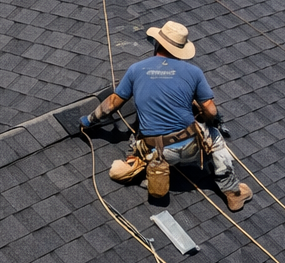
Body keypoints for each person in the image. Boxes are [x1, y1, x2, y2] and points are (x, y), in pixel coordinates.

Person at [81, 20, 252, 211]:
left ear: (157, 43)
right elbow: (210, 110)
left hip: (157, 153)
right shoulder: (194, 72)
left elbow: (111, 104)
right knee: (215, 138)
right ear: (180, 50)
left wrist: (89, 120)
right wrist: (213, 120)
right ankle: (233, 193)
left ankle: (140, 167)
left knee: (137, 136)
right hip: (190, 147)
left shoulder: (136, 69)